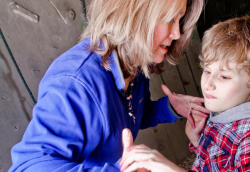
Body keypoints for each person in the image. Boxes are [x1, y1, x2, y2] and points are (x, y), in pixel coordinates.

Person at [8, 0, 209, 171]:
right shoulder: (75, 83)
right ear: (133, 15)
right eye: (169, 19)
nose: (176, 33)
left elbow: (129, 116)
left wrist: (169, 108)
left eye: (179, 19)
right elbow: (27, 165)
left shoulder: (134, 66)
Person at [119, 10, 250, 172]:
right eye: (207, 70)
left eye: (224, 77)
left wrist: (169, 168)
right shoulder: (229, 106)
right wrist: (199, 141)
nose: (208, 84)